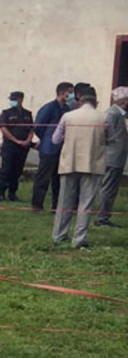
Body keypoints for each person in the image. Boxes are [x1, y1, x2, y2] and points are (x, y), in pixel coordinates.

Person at [50, 84, 107, 248]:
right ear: (95, 102)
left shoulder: (68, 116)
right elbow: (110, 139)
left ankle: (59, 235)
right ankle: (79, 238)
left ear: (79, 101)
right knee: (86, 203)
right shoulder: (104, 118)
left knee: (64, 201)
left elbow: (55, 139)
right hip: (93, 163)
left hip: (69, 162)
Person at [32, 82, 74, 212]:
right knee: (43, 177)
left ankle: (56, 205)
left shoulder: (66, 109)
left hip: (62, 147)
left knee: (58, 179)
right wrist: (46, 139)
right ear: (61, 93)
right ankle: (37, 204)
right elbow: (38, 126)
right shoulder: (49, 108)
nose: (71, 95)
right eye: (69, 92)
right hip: (49, 147)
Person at [0, 91, 36, 202]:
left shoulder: (27, 114)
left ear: (21, 99)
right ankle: (1, 193)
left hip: (23, 147)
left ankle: (12, 193)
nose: (12, 101)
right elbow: (3, 128)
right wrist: (16, 140)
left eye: (15, 99)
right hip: (10, 146)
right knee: (6, 169)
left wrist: (28, 140)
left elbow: (31, 129)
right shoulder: (6, 113)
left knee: (17, 171)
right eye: (11, 99)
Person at [99, 87, 127, 227]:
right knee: (108, 186)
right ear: (123, 101)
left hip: (118, 156)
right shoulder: (112, 113)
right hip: (112, 156)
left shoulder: (121, 114)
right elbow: (104, 131)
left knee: (111, 187)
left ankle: (105, 214)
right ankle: (102, 217)